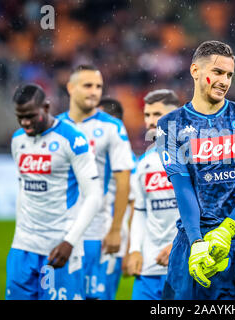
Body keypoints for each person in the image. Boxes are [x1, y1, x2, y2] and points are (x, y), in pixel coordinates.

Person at [155, 40, 235, 300]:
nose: (224, 81)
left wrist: (227, 229)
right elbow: (183, 189)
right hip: (192, 242)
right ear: (195, 71)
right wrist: (196, 243)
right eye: (217, 72)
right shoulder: (169, 125)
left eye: (229, 75)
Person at [6, 83, 102, 300]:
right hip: (22, 248)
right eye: (20, 117)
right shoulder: (18, 140)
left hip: (59, 248)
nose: (25, 123)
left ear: (46, 107)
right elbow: (23, 188)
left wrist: (70, 241)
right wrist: (19, 236)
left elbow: (94, 196)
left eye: (30, 116)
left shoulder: (72, 139)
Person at [57, 65, 135, 299]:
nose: (94, 92)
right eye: (88, 85)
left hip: (97, 232)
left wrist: (115, 230)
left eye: (98, 87)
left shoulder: (112, 127)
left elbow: (124, 181)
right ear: (71, 88)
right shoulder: (56, 127)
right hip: (61, 230)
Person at [126, 89, 181, 300]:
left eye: (156, 114)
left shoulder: (193, 160)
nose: (150, 121)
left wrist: (178, 245)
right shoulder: (145, 162)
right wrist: (134, 250)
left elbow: (203, 213)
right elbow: (140, 211)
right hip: (148, 268)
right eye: (147, 114)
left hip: (183, 265)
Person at [97, 97, 136, 300]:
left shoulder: (128, 162)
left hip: (111, 239)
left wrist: (128, 247)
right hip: (89, 235)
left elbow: (135, 205)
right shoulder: (94, 153)